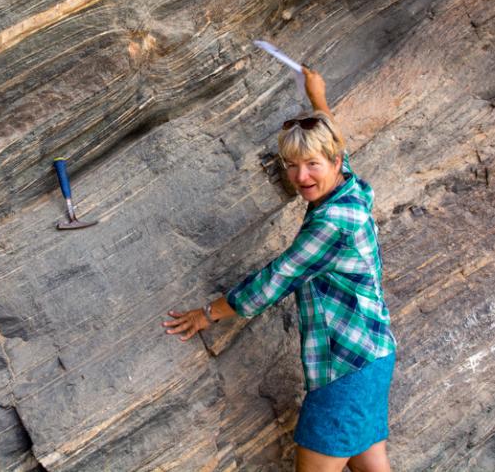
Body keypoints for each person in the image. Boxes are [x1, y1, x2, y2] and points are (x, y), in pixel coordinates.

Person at [163, 65, 397, 472]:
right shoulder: (349, 187)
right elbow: (334, 142)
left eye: (310, 164)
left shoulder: (331, 223)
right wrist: (317, 98)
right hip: (372, 355)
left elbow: (275, 280)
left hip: (347, 367)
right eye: (291, 165)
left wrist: (207, 315)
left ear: (333, 160)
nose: (299, 176)